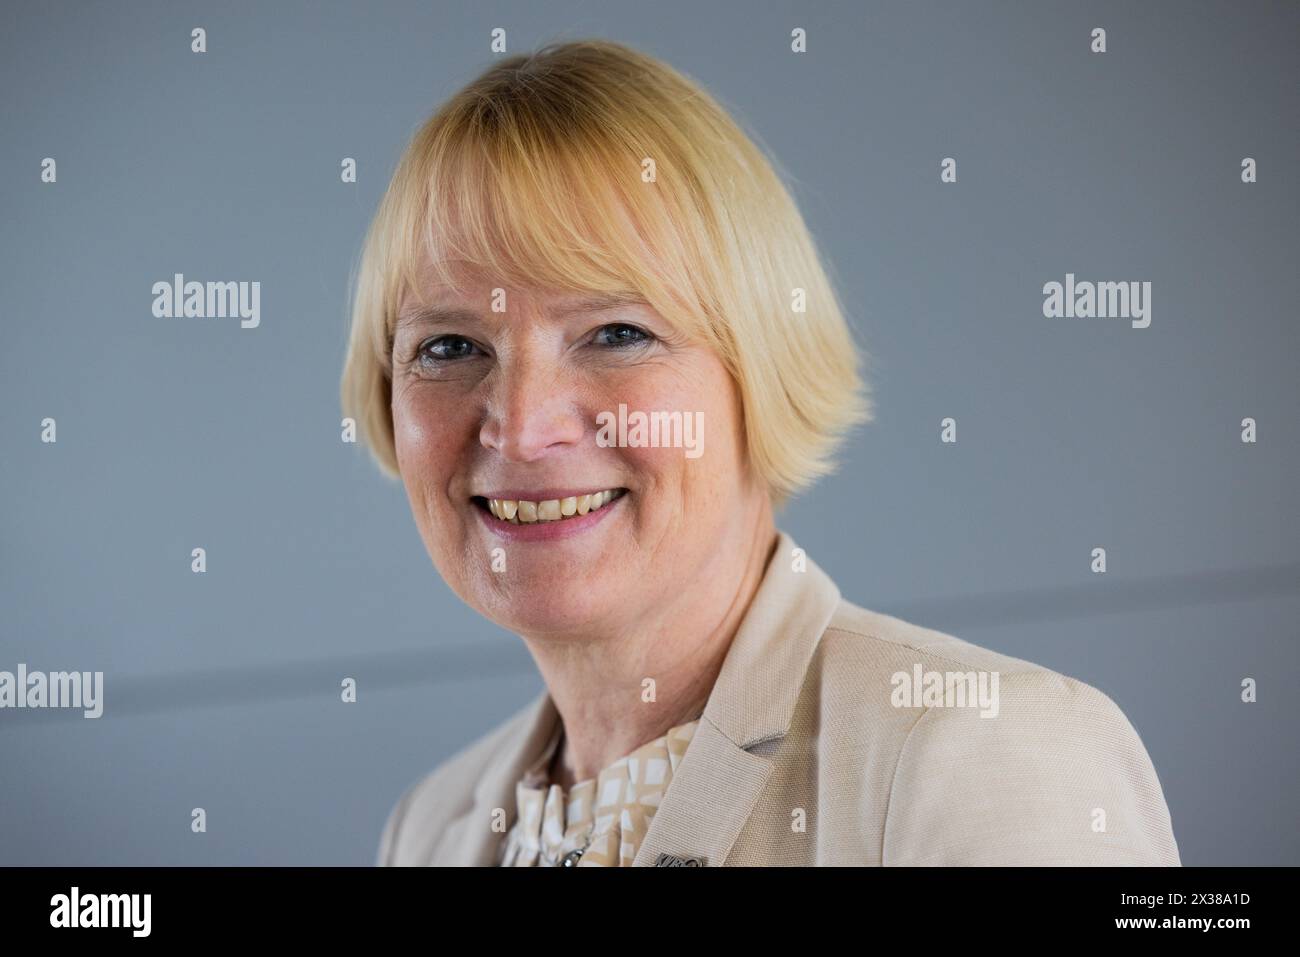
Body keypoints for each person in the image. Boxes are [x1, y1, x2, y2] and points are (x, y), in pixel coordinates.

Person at [340, 39, 1179, 866]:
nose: (522, 428)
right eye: (449, 347)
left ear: (763, 368)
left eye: (618, 333)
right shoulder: (427, 829)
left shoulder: (983, 751)